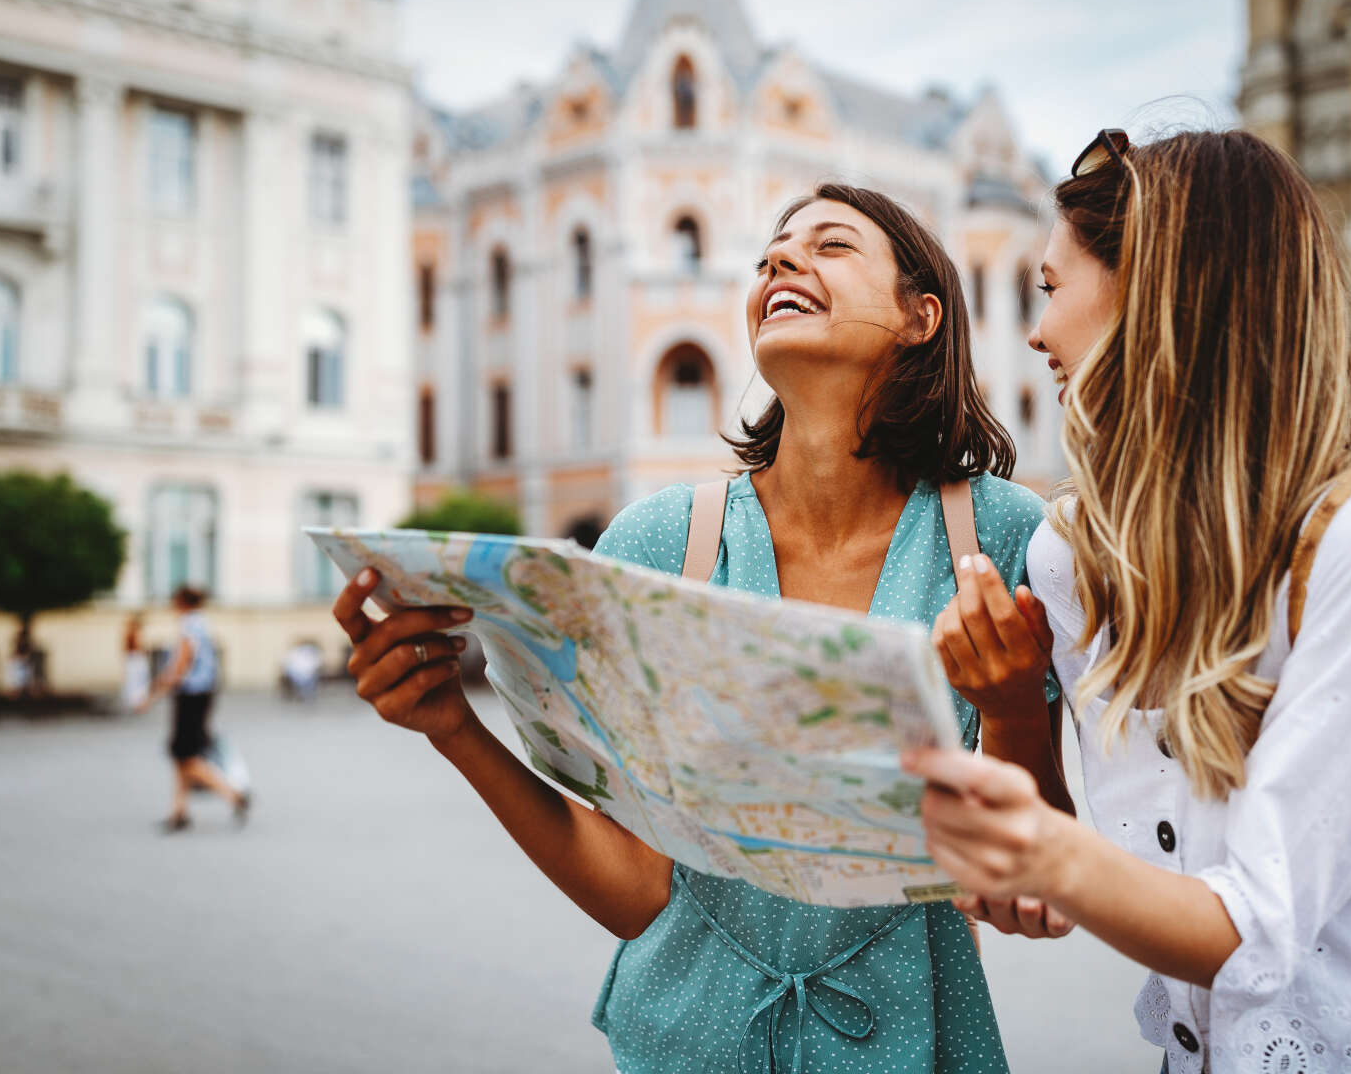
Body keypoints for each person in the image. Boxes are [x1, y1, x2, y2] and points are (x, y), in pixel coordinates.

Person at [333, 183, 1071, 1073]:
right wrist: (455, 725)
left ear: (922, 316)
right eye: (770, 254)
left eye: (831, 246)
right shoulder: (657, 543)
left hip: (915, 1049)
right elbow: (639, 892)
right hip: (682, 1047)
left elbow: (1033, 879)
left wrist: (1017, 711)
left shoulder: (1003, 537)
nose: (779, 263)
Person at [904, 129, 1351, 1071]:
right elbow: (1072, 893)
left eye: (1051, 289)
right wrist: (1013, 712)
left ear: (1155, 292)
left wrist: (1036, 849)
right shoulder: (1072, 558)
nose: (1034, 333)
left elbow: (1251, 931)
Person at [143, 585, 249, 832]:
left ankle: (234, 795)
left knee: (187, 755)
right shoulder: (201, 622)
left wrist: (153, 693)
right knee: (181, 755)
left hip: (191, 696)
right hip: (201, 694)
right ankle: (179, 811)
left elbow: (181, 665)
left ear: (181, 602)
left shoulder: (189, 625)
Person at [121, 612, 151, 713]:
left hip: (132, 659)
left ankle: (136, 703)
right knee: (138, 682)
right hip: (136, 659)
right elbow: (139, 647)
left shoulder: (128, 633)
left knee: (135, 682)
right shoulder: (133, 633)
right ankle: (138, 703)